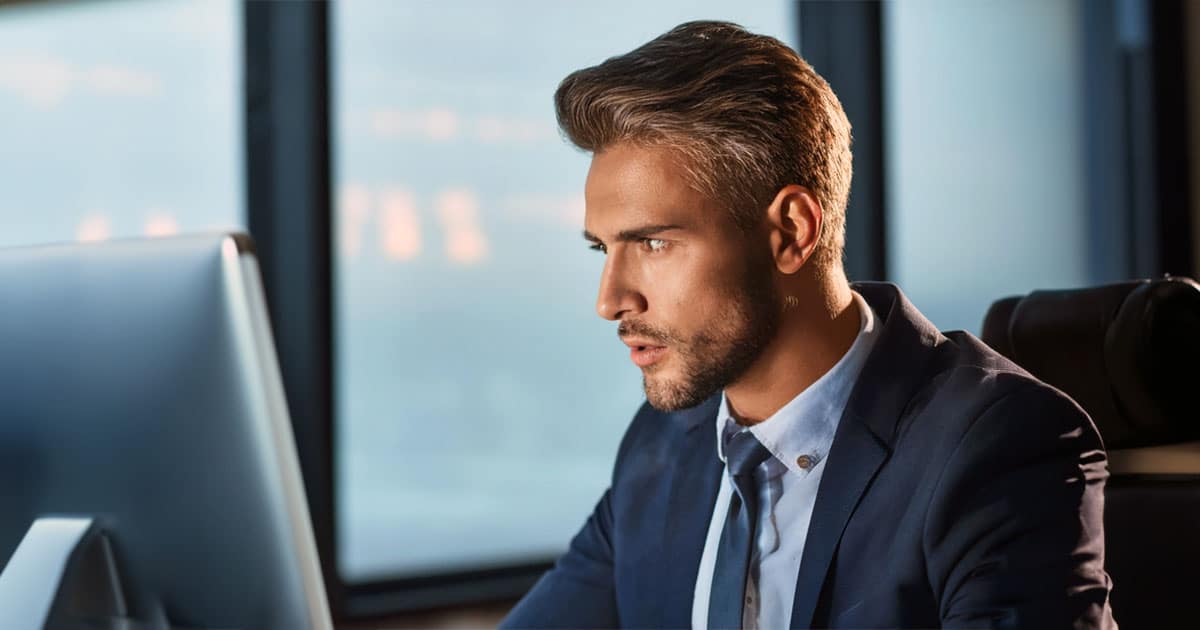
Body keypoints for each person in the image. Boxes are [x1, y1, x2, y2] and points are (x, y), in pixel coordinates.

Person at [502, 20, 1115, 629]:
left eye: (654, 243)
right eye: (601, 249)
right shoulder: (663, 447)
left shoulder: (994, 445)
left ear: (793, 230)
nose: (609, 301)